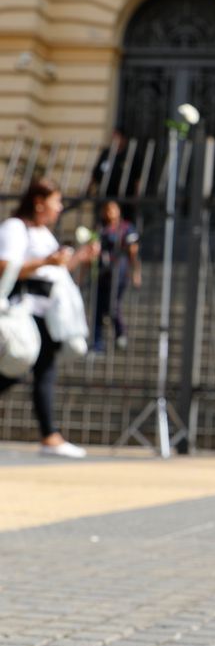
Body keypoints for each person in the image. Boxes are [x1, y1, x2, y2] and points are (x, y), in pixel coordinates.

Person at [0, 178, 100, 458]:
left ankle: (50, 435)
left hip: (48, 313)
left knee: (38, 370)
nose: (60, 208)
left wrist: (79, 257)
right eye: (57, 201)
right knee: (18, 367)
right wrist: (46, 262)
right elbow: (4, 266)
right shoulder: (15, 228)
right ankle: (50, 436)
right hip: (25, 309)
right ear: (39, 202)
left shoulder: (42, 232)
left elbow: (56, 271)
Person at [93, 200, 140, 353]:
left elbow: (133, 252)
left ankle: (120, 334)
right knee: (98, 308)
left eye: (112, 209)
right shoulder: (101, 229)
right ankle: (97, 343)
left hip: (119, 272)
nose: (109, 212)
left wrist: (136, 272)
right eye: (106, 209)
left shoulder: (126, 228)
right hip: (102, 273)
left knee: (113, 305)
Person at [90, 127, 128, 195]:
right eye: (113, 137)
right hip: (103, 194)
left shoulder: (130, 155)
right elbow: (96, 173)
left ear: (123, 139)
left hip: (122, 197)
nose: (114, 140)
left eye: (116, 137)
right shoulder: (106, 153)